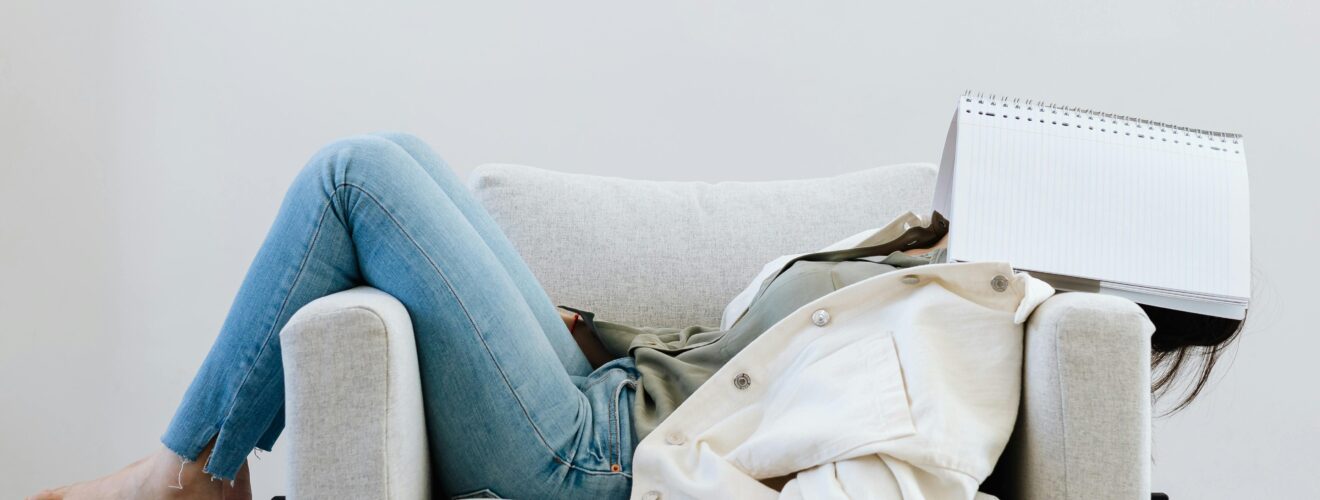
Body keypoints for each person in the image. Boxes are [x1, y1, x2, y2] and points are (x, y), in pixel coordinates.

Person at [31, 133, 1242, 499]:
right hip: (599, 397)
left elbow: (880, 472)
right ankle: (193, 470)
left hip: (595, 458)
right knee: (394, 158)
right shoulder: (934, 260)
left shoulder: (982, 324)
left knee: (359, 174)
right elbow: (732, 366)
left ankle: (184, 474)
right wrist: (590, 329)